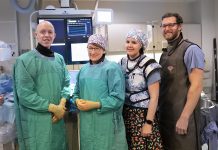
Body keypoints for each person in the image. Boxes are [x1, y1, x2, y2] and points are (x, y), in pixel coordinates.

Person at [13, 21, 70, 150]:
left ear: (54, 35)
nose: (46, 35)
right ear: (36, 35)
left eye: (50, 32)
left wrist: (61, 103)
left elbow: (66, 83)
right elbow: (25, 94)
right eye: (42, 32)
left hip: (57, 119)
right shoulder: (24, 61)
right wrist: (51, 107)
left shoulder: (59, 59)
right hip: (38, 122)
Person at [73, 34, 128, 150]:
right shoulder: (83, 70)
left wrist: (96, 104)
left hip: (106, 122)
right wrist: (76, 100)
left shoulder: (112, 68)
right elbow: (75, 92)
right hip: (86, 123)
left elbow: (118, 98)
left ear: (103, 50)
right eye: (90, 48)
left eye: (96, 48)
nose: (93, 52)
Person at [158, 12, 205, 150]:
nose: (167, 28)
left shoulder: (191, 50)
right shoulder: (165, 54)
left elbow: (196, 86)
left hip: (183, 119)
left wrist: (184, 117)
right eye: (164, 25)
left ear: (180, 27)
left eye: (171, 25)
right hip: (166, 118)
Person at [119, 29, 163, 149]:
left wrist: (148, 123)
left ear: (141, 45)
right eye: (127, 41)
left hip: (143, 115)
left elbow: (154, 97)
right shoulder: (122, 63)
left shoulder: (149, 64)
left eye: (134, 42)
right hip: (126, 113)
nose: (129, 45)